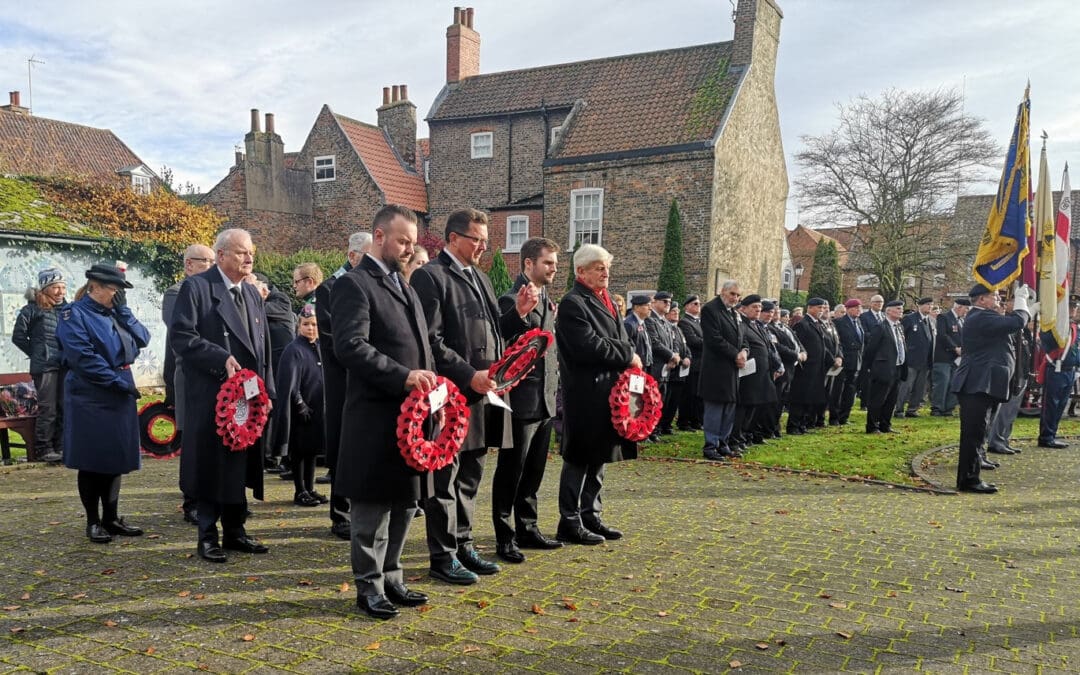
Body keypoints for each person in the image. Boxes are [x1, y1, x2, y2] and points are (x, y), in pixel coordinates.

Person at [330, 204, 432, 620]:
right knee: (371, 510)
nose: (409, 249)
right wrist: (403, 376)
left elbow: (424, 348)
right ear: (379, 236)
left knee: (406, 504)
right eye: (403, 240)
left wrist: (435, 396)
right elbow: (350, 347)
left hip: (412, 419)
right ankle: (368, 587)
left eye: (413, 242)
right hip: (375, 419)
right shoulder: (355, 284)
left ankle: (392, 576)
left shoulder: (405, 285)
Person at [411, 208, 518, 584]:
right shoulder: (430, 277)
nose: (483, 246)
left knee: (471, 473)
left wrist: (517, 318)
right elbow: (431, 341)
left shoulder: (482, 278)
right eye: (476, 239)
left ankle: (464, 544)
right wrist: (468, 374)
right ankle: (442, 556)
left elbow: (491, 332)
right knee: (444, 479)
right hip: (452, 396)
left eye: (485, 240)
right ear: (453, 239)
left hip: (483, 394)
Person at [170, 228, 275, 563]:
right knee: (212, 466)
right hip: (214, 396)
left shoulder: (253, 293)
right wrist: (219, 357)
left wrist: (265, 389)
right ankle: (207, 536)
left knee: (239, 464)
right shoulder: (197, 288)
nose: (249, 258)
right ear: (222, 255)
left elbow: (263, 348)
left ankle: (235, 531)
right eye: (242, 252)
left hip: (247, 400)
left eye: (251, 252)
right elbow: (182, 337)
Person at [56, 264, 149, 543]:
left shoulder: (115, 313)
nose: (117, 293)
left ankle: (112, 517)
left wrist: (124, 312)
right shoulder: (73, 314)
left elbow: (142, 338)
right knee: (92, 458)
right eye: (113, 288)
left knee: (115, 457)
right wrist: (115, 381)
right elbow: (82, 356)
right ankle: (93, 521)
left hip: (119, 388)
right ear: (95, 287)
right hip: (91, 392)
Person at [555, 244, 640, 544]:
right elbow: (589, 346)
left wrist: (628, 352)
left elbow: (620, 337)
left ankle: (592, 515)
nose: (606, 272)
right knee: (579, 458)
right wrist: (628, 355)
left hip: (608, 391)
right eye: (598, 267)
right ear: (581, 271)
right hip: (585, 393)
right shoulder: (572, 303)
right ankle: (569, 520)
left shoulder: (608, 301)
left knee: (600, 457)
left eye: (606, 266)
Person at [491, 237, 563, 564]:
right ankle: (505, 537)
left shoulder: (547, 299)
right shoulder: (511, 298)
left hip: (545, 399)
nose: (554, 269)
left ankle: (527, 527)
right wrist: (520, 314)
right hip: (521, 401)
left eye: (556, 264)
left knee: (533, 471)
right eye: (548, 263)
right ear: (528, 264)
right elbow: (500, 336)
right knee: (512, 471)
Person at [316, 231, 372, 540]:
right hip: (343, 381)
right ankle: (339, 513)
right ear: (352, 256)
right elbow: (335, 338)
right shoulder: (329, 289)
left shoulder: (371, 284)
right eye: (367, 254)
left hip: (367, 379)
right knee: (341, 445)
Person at [951, 284, 1033, 494]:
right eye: (994, 296)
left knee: (980, 432)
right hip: (977, 383)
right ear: (981, 300)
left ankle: (972, 475)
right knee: (974, 434)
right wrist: (1022, 302)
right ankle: (969, 480)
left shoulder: (985, 316)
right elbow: (1017, 322)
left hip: (984, 383)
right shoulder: (981, 317)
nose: (998, 299)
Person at [161, 245, 215, 522]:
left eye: (212, 261)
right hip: (189, 375)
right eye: (202, 261)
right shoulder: (176, 292)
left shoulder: (217, 290)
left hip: (217, 375)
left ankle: (216, 497)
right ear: (188, 265)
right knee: (192, 441)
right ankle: (191, 501)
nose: (208, 265)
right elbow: (185, 332)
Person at [11, 267, 69, 463]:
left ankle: (61, 446)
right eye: (56, 287)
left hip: (64, 365)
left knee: (64, 406)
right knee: (48, 408)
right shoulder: (32, 309)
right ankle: (44, 448)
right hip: (44, 367)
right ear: (45, 288)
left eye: (63, 287)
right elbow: (18, 336)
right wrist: (37, 353)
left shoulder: (67, 310)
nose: (61, 291)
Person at [273, 304, 325, 506]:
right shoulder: (294, 349)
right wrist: (299, 402)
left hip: (317, 409)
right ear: (298, 326)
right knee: (300, 452)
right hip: (300, 411)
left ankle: (310, 488)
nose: (310, 328)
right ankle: (299, 490)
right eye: (306, 324)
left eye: (313, 324)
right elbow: (290, 382)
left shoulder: (320, 347)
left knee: (312, 451)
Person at [699, 280, 748, 460]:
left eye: (737, 295)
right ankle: (710, 446)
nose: (735, 298)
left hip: (732, 370)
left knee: (729, 407)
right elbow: (714, 339)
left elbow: (743, 337)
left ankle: (723, 443)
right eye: (732, 294)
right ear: (723, 292)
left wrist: (744, 351)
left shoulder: (734, 313)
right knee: (715, 407)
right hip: (716, 369)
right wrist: (736, 354)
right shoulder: (711, 310)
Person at [986, 300, 1032, 456]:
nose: (1004, 307)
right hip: (1011, 375)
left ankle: (1004, 439)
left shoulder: (1021, 330)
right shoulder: (1006, 327)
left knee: (1011, 411)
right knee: (1004, 411)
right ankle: (996, 441)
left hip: (1021, 373)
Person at [788, 298, 838, 434]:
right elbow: (798, 344)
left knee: (810, 397)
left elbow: (822, 346)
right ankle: (793, 425)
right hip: (805, 368)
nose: (821, 310)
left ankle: (803, 424)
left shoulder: (818, 324)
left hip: (817, 368)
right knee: (800, 397)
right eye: (818, 308)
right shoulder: (803, 324)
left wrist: (832, 360)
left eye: (823, 308)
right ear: (810, 308)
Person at [734, 295, 778, 447]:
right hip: (748, 374)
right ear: (744, 308)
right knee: (744, 408)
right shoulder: (741, 324)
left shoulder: (756, 325)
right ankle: (737, 437)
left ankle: (747, 434)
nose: (758, 310)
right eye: (754, 307)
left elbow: (767, 347)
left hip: (762, 373)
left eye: (759, 307)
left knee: (756, 407)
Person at [1037, 302, 1078, 449]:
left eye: (1075, 307)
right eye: (1070, 307)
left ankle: (1051, 434)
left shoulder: (1073, 326)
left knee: (1061, 405)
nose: (1073, 309)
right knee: (1051, 404)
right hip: (1056, 369)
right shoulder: (1054, 325)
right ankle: (1046, 437)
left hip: (1069, 370)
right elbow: (1046, 340)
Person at [862, 299, 907, 434]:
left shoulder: (899, 327)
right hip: (883, 369)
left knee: (891, 399)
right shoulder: (881, 327)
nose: (901, 311)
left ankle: (885, 424)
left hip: (898, 367)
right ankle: (872, 426)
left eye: (901, 309)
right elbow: (871, 349)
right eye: (898, 309)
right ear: (889, 311)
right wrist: (871, 367)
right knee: (878, 399)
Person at [645, 292, 679, 436]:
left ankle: (656, 428)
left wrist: (675, 355)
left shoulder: (664, 321)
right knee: (651, 400)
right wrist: (671, 355)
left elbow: (673, 342)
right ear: (655, 303)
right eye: (664, 301)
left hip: (667, 367)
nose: (667, 304)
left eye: (669, 302)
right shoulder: (650, 320)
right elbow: (654, 343)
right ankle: (649, 430)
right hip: (656, 366)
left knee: (661, 400)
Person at [895, 297, 935, 417]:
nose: (930, 307)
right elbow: (902, 336)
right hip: (911, 360)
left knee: (920, 388)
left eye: (931, 305)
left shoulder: (931, 321)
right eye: (927, 304)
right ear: (920, 305)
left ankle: (912, 409)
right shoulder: (910, 319)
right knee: (906, 386)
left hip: (925, 360)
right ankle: (899, 409)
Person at [931, 298, 969, 416]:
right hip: (944, 357)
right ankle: (937, 408)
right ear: (959, 307)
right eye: (966, 308)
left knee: (954, 382)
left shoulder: (962, 321)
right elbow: (942, 335)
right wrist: (954, 348)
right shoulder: (944, 317)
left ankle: (948, 408)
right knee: (942, 382)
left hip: (957, 359)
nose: (967, 311)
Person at [829, 299, 864, 426]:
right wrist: (839, 356)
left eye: (860, 308)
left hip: (856, 361)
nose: (858, 310)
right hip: (843, 361)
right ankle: (834, 417)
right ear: (848, 309)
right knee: (838, 389)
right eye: (856, 308)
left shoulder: (858, 322)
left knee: (850, 390)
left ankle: (844, 416)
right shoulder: (839, 322)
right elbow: (837, 342)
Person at [658, 302, 690, 435]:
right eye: (673, 311)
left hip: (680, 370)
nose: (676, 313)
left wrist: (688, 357)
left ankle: (667, 424)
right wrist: (678, 359)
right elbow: (669, 347)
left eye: (677, 311)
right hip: (671, 369)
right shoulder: (667, 327)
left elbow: (684, 345)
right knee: (666, 400)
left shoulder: (678, 329)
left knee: (674, 400)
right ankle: (660, 425)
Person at [677, 295, 704, 431]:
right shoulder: (685, 322)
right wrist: (710, 342)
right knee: (689, 394)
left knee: (699, 394)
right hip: (693, 362)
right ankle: (684, 421)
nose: (698, 306)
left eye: (699, 304)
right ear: (687, 306)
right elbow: (693, 341)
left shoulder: (699, 322)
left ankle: (696, 420)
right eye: (695, 304)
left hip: (702, 363)